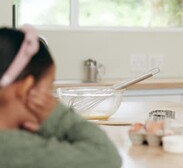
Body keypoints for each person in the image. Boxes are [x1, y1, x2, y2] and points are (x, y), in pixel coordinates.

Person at [0, 26, 122, 167]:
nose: (51, 96)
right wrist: (57, 115)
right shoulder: (18, 149)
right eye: (49, 87)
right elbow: (106, 157)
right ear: (26, 88)